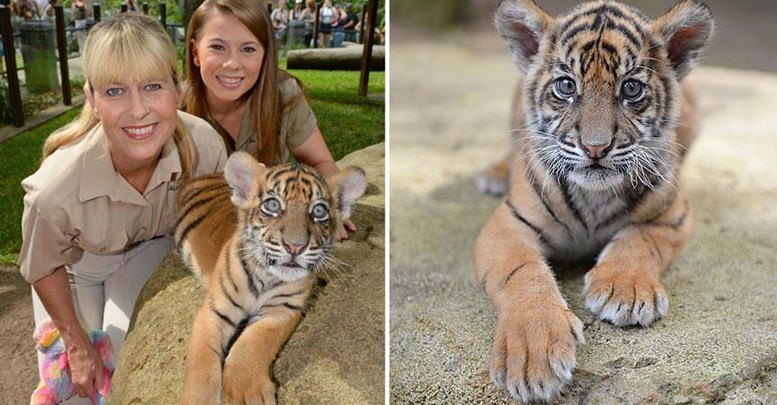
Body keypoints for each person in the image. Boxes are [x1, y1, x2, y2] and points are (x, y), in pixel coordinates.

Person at [18, 13, 227, 404]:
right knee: (75, 390)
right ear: (92, 100)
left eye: (153, 86)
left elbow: (217, 220)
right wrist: (75, 343)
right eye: (115, 91)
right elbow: (43, 264)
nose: (138, 111)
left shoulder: (205, 146)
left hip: (144, 254)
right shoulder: (53, 190)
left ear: (177, 88)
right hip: (73, 270)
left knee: (121, 360)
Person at [183, 0, 356, 239]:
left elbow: (320, 162)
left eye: (248, 49)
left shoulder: (284, 95)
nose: (232, 63)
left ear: (265, 55)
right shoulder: (173, 111)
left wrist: (330, 211)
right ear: (195, 53)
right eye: (218, 47)